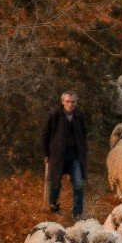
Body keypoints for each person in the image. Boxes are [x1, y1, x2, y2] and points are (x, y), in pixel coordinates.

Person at [41, 91, 88, 220]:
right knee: (55, 183)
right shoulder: (54, 115)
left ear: (75, 103)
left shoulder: (80, 115)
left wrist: (83, 151)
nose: (70, 104)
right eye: (67, 101)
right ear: (63, 102)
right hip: (58, 155)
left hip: (75, 155)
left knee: (78, 183)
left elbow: (83, 134)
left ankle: (77, 213)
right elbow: (45, 135)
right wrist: (46, 153)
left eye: (72, 102)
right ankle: (54, 208)